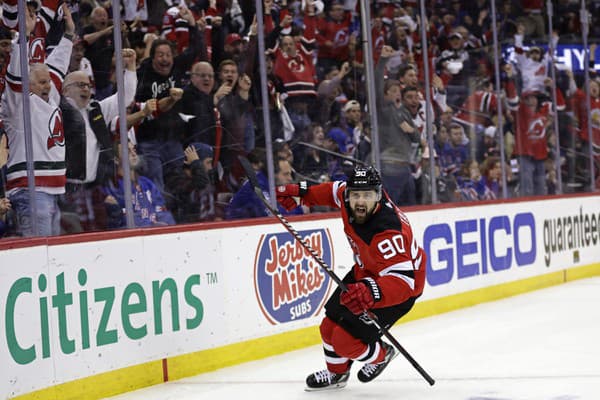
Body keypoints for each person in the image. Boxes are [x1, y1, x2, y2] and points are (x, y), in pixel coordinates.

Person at [275, 165, 427, 390]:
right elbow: (332, 191)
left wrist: (370, 291)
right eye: (355, 195)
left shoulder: (387, 230)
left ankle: (382, 354)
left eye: (367, 196)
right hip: (365, 271)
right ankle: (337, 374)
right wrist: (301, 194)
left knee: (345, 342)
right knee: (328, 327)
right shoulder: (347, 195)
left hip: (396, 289)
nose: (360, 201)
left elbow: (404, 282)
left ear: (378, 196)